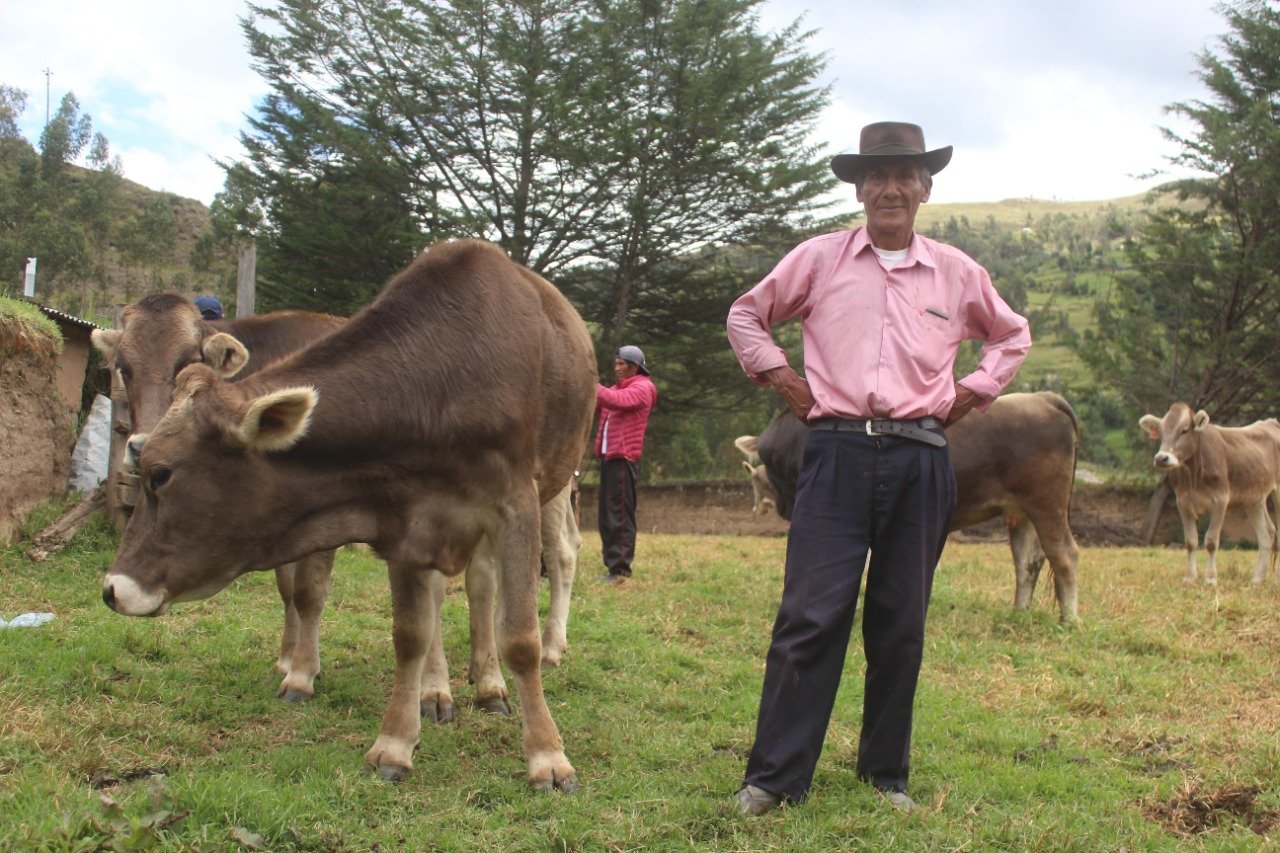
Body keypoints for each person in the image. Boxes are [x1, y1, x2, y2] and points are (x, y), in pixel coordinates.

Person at [725, 121, 1030, 815]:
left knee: (901, 618)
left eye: (905, 176)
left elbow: (1011, 335)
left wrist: (974, 390)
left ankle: (885, 774)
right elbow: (747, 315)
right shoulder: (820, 259)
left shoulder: (956, 271)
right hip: (835, 452)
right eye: (877, 177)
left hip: (923, 455)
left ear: (925, 188)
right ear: (859, 189)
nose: (890, 188)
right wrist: (784, 380)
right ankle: (774, 776)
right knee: (810, 612)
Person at [593, 345, 658, 582]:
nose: (617, 368)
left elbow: (614, 400)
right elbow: (603, 399)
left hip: (623, 460)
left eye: (622, 364)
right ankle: (612, 567)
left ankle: (620, 570)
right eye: (616, 363)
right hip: (610, 458)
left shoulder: (643, 388)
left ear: (635, 367)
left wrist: (588, 383)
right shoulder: (618, 387)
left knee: (619, 517)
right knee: (606, 516)